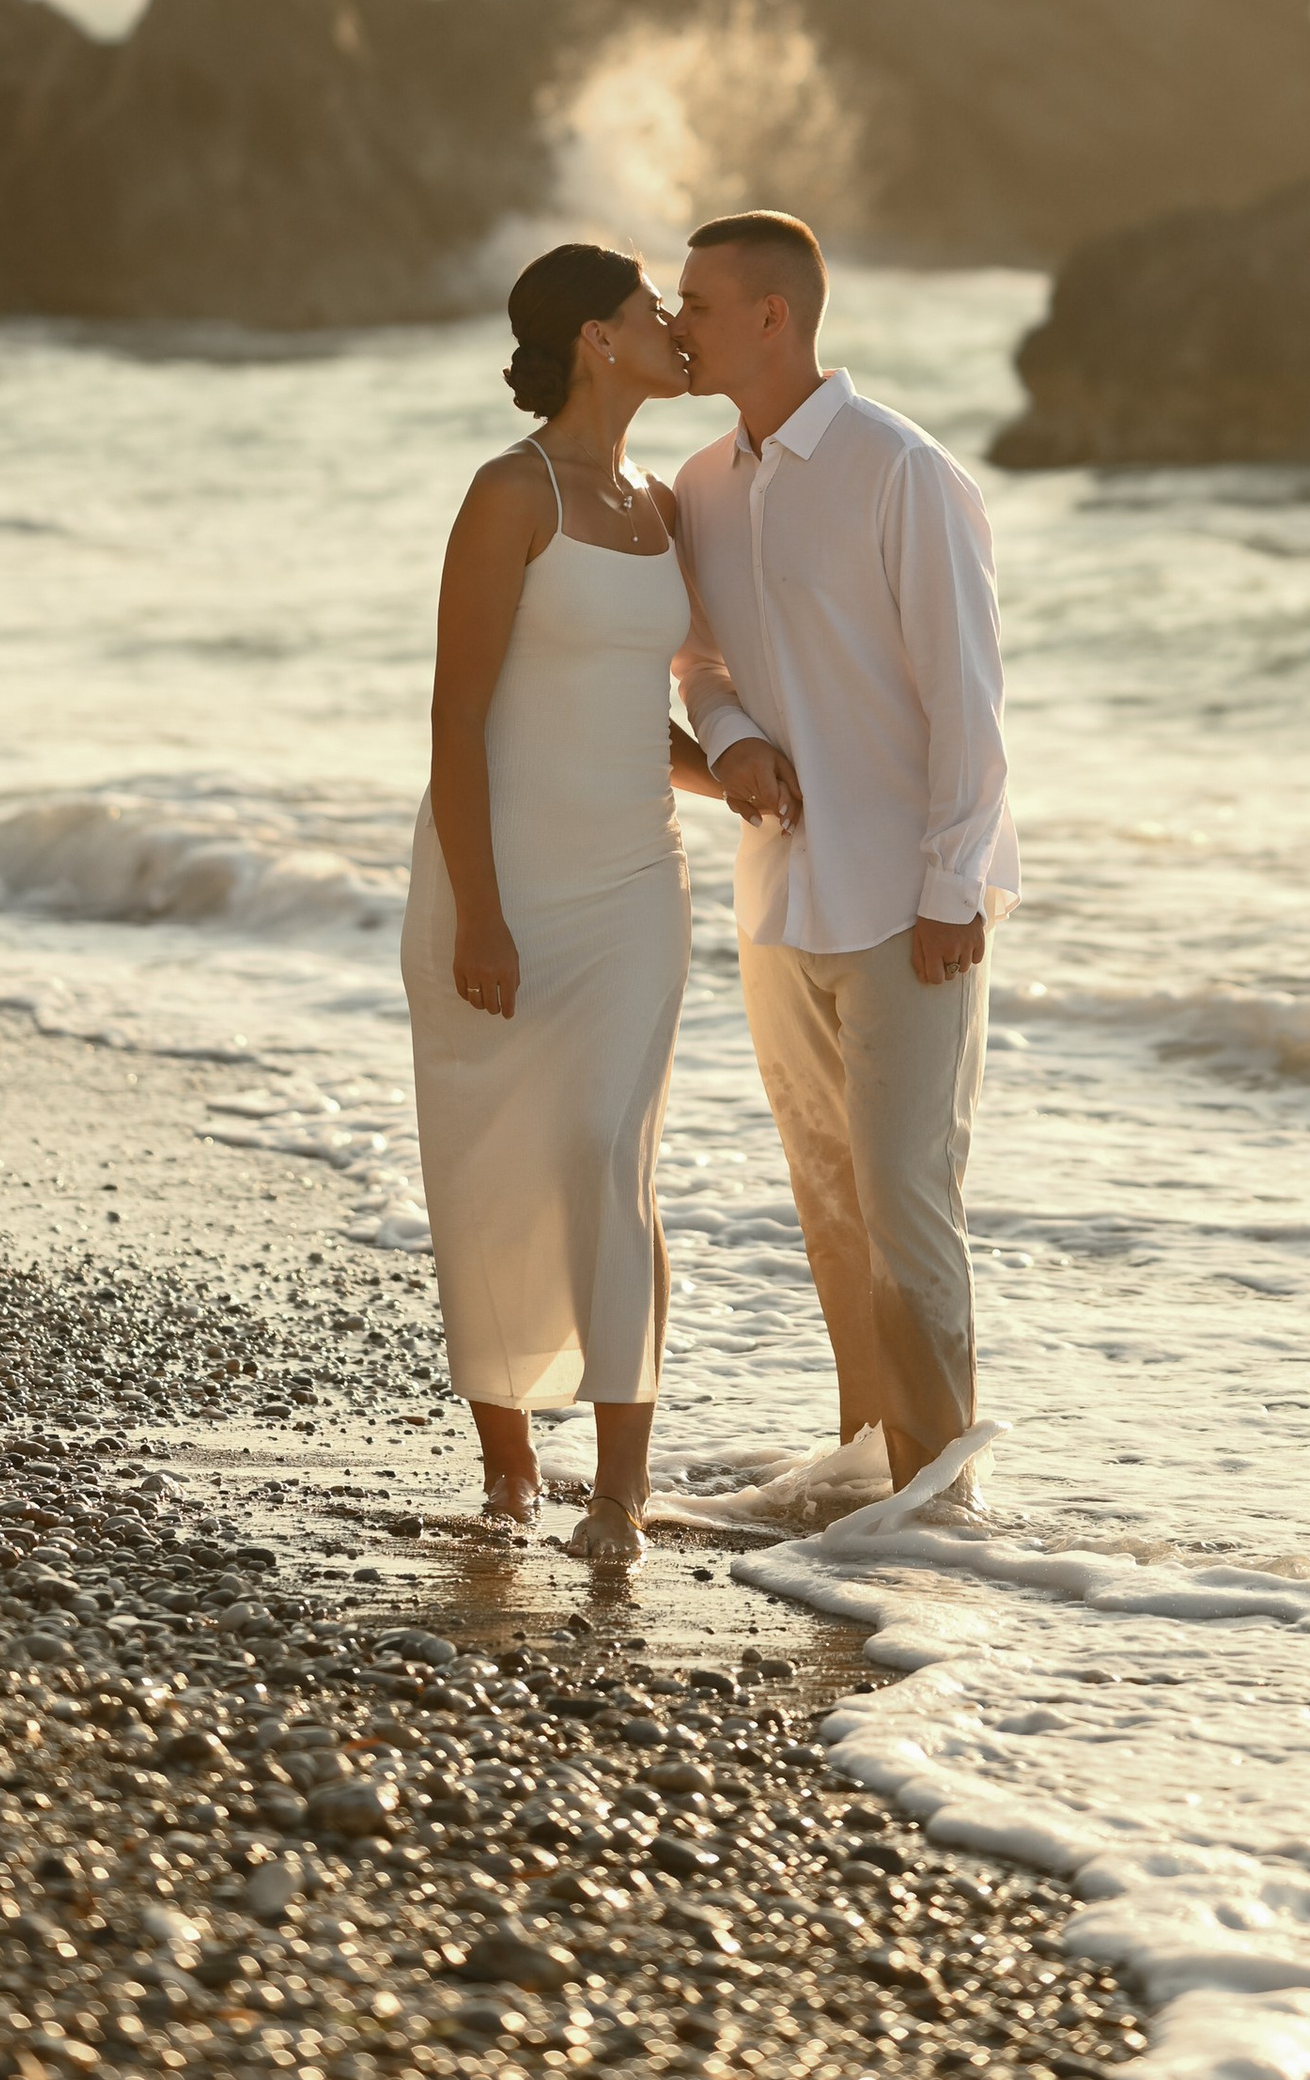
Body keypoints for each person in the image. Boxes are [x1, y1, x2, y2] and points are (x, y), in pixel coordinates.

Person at [672, 209, 1017, 1495]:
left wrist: (951, 884)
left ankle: (940, 1504)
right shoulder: (701, 484)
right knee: (829, 1210)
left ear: (774, 315)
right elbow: (697, 658)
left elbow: (968, 696)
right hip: (779, 894)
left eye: (696, 303)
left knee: (909, 1214)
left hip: (904, 903)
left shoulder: (900, 469)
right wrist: (732, 732)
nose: (676, 323)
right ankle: (877, 1479)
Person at [400, 240, 723, 1562]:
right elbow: (461, 717)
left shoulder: (663, 500)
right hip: (501, 877)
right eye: (656, 310)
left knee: (605, 1149)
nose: (676, 326)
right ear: (598, 339)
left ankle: (622, 1491)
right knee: (489, 1169)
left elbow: (632, 713)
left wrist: (746, 774)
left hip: (637, 885)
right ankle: (508, 1466)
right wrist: (480, 913)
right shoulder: (510, 492)